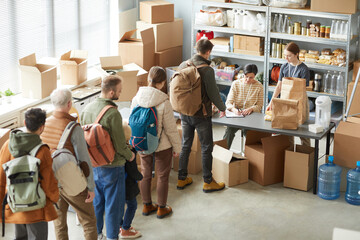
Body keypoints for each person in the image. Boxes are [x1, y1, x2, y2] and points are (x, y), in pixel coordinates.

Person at [81, 75, 135, 240]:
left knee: (97, 202)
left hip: (93, 164)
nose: (120, 93)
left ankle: (97, 234)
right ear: (111, 92)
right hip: (113, 165)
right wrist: (130, 155)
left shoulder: (86, 109)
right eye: (119, 90)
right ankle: (112, 237)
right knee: (114, 206)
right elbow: (120, 145)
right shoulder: (113, 114)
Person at [41, 88, 97, 240]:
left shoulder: (44, 124)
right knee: (89, 221)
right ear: (69, 104)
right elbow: (84, 160)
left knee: (59, 223)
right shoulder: (74, 128)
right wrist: (90, 187)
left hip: (52, 181)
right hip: (72, 182)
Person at [0, 108, 59, 240]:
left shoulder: (8, 145)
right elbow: (48, 184)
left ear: (25, 123)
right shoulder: (42, 151)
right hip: (36, 208)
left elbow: (1, 177)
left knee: (20, 237)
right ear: (42, 127)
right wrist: (55, 199)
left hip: (15, 203)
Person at [131, 66, 182, 218]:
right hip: (162, 145)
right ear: (162, 83)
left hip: (142, 143)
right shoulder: (164, 102)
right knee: (162, 176)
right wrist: (177, 147)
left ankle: (146, 205)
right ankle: (161, 208)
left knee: (145, 174)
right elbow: (171, 129)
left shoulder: (136, 98)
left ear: (148, 80)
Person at [177, 39, 227, 193]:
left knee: (186, 144)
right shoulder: (207, 70)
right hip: (201, 115)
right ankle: (207, 181)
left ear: (196, 48)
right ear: (208, 52)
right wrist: (222, 108)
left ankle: (181, 178)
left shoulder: (183, 65)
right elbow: (213, 93)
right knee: (206, 147)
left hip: (184, 112)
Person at [266, 42, 310, 147]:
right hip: (286, 102)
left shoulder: (304, 69)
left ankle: (306, 155)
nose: (286, 58)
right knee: (287, 132)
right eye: (285, 55)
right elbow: (279, 86)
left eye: (289, 56)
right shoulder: (284, 67)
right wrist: (272, 101)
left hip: (300, 102)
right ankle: (290, 157)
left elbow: (303, 90)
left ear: (296, 54)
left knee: (303, 133)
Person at [223, 64, 264, 149]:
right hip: (237, 115)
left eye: (251, 77)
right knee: (229, 130)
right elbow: (228, 103)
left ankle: (252, 157)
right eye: (246, 76)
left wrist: (251, 108)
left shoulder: (259, 86)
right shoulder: (236, 84)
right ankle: (223, 155)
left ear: (255, 76)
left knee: (250, 134)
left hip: (251, 116)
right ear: (243, 74)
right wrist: (234, 110)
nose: (248, 79)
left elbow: (259, 106)